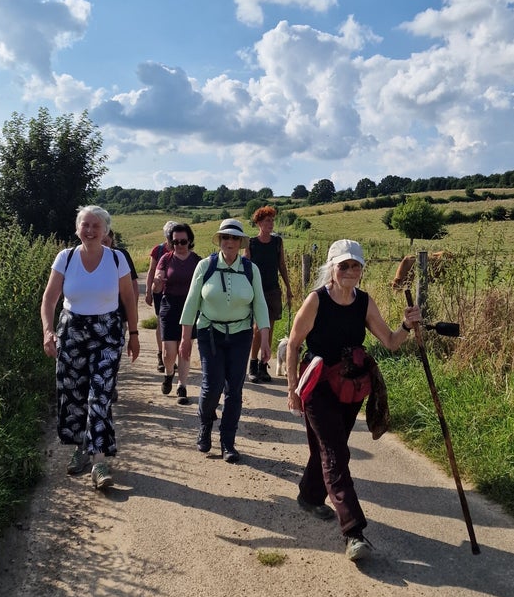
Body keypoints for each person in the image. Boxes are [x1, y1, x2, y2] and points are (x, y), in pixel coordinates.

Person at [285, 239, 421, 561]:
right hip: (317, 383)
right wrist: (292, 389)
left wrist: (406, 325)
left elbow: (390, 341)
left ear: (361, 270)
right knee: (335, 451)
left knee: (330, 445)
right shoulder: (316, 301)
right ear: (332, 269)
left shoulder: (363, 302)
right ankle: (353, 531)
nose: (349, 271)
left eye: (355, 265)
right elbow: (293, 344)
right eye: (343, 265)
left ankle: (309, 495)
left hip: (351, 387)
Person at [41, 205, 140, 490]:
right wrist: (48, 331)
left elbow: (128, 299)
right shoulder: (66, 257)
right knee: (73, 395)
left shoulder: (117, 259)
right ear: (77, 228)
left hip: (107, 333)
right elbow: (49, 300)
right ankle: (79, 448)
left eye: (96, 226)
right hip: (71, 333)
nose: (90, 230)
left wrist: (133, 333)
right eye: (85, 225)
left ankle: (98, 461)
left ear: (106, 230)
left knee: (100, 394)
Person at [179, 218, 270, 463]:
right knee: (212, 386)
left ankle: (228, 441)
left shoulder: (251, 270)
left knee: (234, 391)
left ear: (241, 242)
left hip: (241, 335)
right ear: (219, 240)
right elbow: (191, 303)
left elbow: (260, 304)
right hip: (210, 333)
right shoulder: (205, 266)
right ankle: (205, 424)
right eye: (225, 237)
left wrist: (264, 339)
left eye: (234, 238)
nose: (229, 241)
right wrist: (185, 339)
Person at [151, 223, 201, 405]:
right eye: (175, 242)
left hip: (189, 307)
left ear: (190, 241)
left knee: (184, 349)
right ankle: (169, 373)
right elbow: (156, 287)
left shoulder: (197, 260)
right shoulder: (166, 258)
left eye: (183, 241)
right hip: (169, 306)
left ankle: (182, 386)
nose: (179, 245)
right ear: (171, 243)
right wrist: (156, 283)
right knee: (168, 352)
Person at [245, 206, 293, 383]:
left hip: (273, 289)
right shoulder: (251, 243)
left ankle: (263, 367)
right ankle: (253, 364)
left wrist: (288, 288)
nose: (271, 224)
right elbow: (246, 268)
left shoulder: (277, 242)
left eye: (272, 220)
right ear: (259, 223)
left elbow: (281, 265)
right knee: (258, 328)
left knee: (270, 328)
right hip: (257, 290)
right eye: (267, 220)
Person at [145, 221, 178, 373]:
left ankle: (171, 357)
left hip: (177, 293)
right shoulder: (158, 250)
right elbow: (151, 271)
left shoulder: (182, 247)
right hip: (160, 292)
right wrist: (148, 292)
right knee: (161, 322)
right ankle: (161, 354)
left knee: (176, 324)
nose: (172, 239)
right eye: (169, 236)